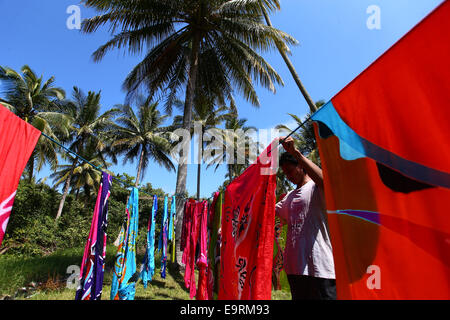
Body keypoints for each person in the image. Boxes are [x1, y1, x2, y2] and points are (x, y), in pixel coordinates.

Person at [276, 136, 336, 300]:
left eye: (290, 171)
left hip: (320, 270)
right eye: (285, 172)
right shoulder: (288, 197)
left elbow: (325, 180)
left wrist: (296, 153)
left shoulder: (316, 187)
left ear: (301, 166)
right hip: (295, 270)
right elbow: (268, 210)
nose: (287, 176)